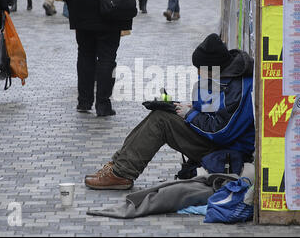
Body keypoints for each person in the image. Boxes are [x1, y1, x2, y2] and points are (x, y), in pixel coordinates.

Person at [84, 33, 255, 190]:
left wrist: (190, 114)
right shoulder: (218, 74)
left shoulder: (238, 87)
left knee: (161, 121)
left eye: (200, 69)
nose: (197, 72)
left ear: (212, 68)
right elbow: (208, 110)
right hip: (214, 140)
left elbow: (220, 131)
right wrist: (185, 107)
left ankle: (121, 174)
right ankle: (117, 166)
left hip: (226, 151)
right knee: (161, 113)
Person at [57, 0, 145, 116]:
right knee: (107, 56)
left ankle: (84, 101)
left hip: (82, 7)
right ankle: (103, 104)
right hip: (113, 8)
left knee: (85, 53)